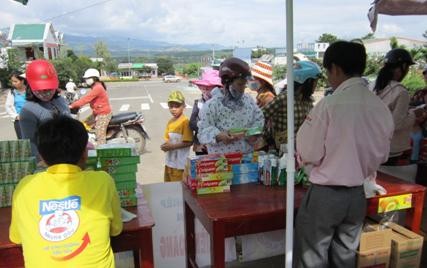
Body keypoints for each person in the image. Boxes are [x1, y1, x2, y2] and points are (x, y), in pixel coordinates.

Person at [294, 41, 394, 268]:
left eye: (328, 71)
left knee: (313, 255)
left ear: (335, 68)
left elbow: (308, 150)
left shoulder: (329, 104)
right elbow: (383, 154)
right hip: (357, 194)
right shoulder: (379, 106)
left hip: (326, 194)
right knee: (346, 255)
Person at [9, 116, 122, 267]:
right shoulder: (103, 181)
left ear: (41, 157)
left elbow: (16, 238)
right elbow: (116, 229)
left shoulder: (24, 186)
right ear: (85, 153)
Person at [197, 57, 264, 154]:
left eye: (244, 85)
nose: (242, 89)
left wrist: (253, 134)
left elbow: (259, 120)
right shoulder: (212, 106)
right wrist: (219, 136)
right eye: (239, 84)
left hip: (246, 163)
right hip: (221, 163)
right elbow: (203, 132)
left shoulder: (249, 101)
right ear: (227, 83)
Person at [373, 48, 426, 166]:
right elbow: (395, 124)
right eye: (407, 67)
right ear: (402, 67)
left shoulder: (372, 86)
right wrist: (414, 114)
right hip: (390, 149)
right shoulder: (400, 91)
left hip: (370, 144)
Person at [262, 61, 321, 150]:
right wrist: (268, 137)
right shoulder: (284, 98)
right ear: (306, 82)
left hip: (301, 148)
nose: (316, 85)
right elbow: (261, 116)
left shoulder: (308, 100)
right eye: (315, 82)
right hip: (281, 151)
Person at [19, 60, 70, 159]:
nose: (45, 93)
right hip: (48, 162)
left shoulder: (61, 101)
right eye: (40, 90)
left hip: (69, 157)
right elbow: (30, 143)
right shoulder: (28, 110)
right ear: (30, 87)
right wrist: (41, 163)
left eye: (49, 89)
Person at [69, 68, 112, 145]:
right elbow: (88, 98)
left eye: (87, 79)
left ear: (94, 78)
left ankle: (102, 153)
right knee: (84, 125)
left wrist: (72, 106)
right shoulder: (95, 86)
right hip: (97, 113)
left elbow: (86, 99)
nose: (86, 80)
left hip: (103, 114)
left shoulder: (97, 87)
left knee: (100, 137)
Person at [161, 90, 193, 182]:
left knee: (179, 189)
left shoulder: (185, 122)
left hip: (180, 165)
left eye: (177, 106)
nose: (174, 109)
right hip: (169, 162)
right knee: (169, 188)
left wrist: (172, 146)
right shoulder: (170, 122)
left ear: (183, 106)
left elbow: (189, 142)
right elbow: (167, 139)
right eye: (171, 106)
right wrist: (165, 146)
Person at [189, 69, 223, 155]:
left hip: (219, 145)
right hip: (201, 146)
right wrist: (205, 127)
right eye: (203, 88)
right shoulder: (198, 103)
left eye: (208, 88)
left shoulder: (223, 104)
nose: (205, 90)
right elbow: (192, 123)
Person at [5, 71, 27, 139]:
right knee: (23, 142)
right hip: (19, 122)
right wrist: (16, 116)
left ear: (22, 81)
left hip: (32, 120)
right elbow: (8, 106)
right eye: (12, 81)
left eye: (15, 81)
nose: (13, 83)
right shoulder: (12, 93)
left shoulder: (30, 90)